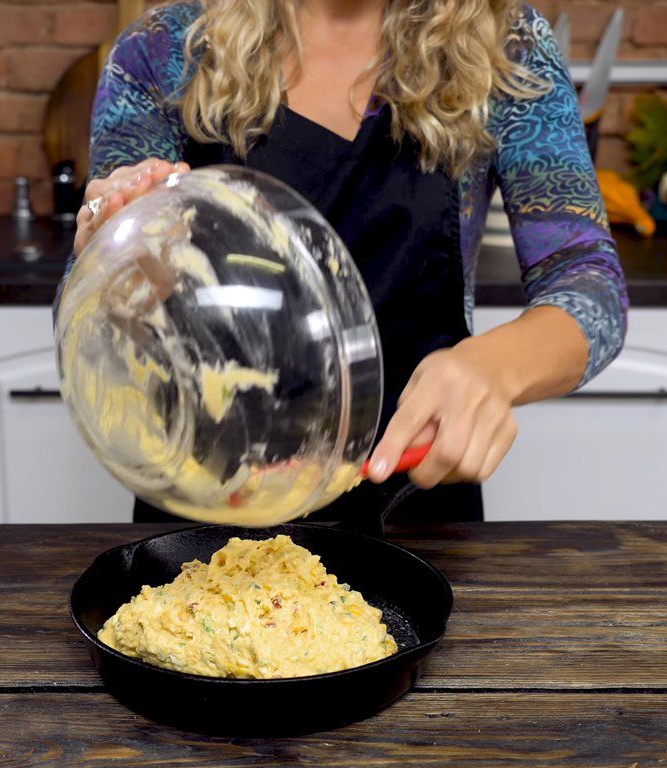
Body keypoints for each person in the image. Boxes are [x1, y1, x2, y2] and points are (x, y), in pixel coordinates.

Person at [57, 0, 628, 526]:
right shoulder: (162, 51)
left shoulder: (505, 41)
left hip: (412, 495)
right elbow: (90, 309)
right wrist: (114, 266)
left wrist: (495, 366)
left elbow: (589, 285)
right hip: (202, 506)